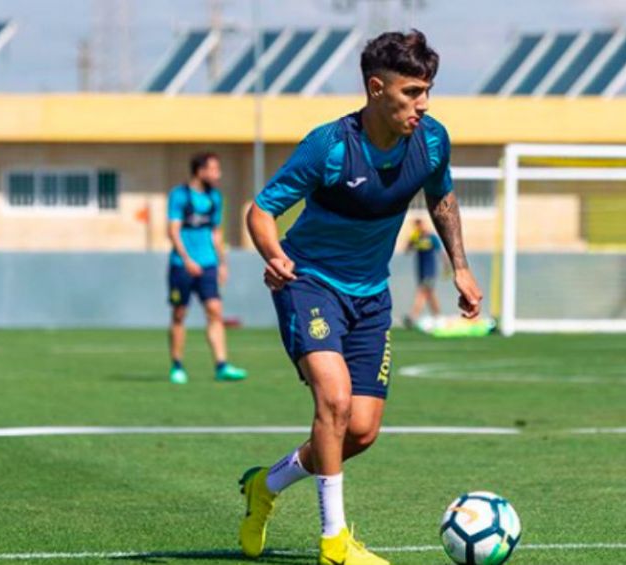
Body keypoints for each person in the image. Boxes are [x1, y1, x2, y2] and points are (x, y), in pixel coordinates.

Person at [242, 30, 482, 565]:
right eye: (412, 92)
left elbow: (441, 196)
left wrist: (460, 268)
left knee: (361, 431)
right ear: (376, 89)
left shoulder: (433, 140)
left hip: (372, 295)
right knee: (334, 399)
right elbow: (259, 211)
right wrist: (274, 255)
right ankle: (334, 542)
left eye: (427, 91)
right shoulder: (328, 147)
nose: (423, 104)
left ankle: (266, 486)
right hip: (310, 284)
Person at [166, 152, 247, 384]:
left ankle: (222, 364)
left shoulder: (215, 198)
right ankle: (177, 365)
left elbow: (216, 233)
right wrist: (187, 260)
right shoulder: (179, 196)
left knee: (215, 312)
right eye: (213, 169)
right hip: (182, 266)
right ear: (200, 171)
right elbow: (173, 231)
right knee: (179, 313)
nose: (217, 174)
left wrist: (222, 263)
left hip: (208, 264)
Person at [405, 217, 443, 326]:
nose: (417, 227)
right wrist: (411, 240)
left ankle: (413, 316)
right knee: (430, 293)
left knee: (422, 291)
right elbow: (407, 251)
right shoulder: (416, 238)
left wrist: (446, 266)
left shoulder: (431, 237)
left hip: (430, 270)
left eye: (418, 225)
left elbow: (440, 252)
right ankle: (438, 316)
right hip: (420, 270)